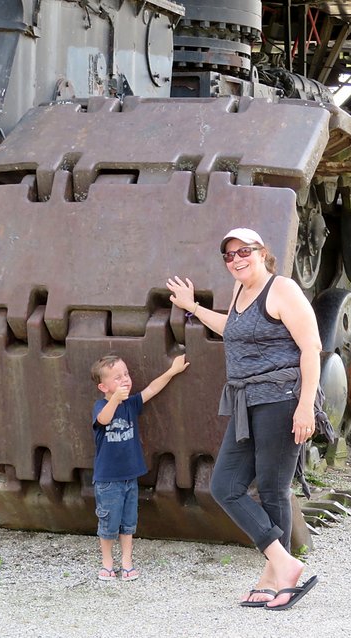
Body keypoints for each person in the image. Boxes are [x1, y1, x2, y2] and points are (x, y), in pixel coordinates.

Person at [166, 227, 325, 611]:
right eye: (229, 255)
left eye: (243, 252)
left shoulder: (282, 289)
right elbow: (231, 329)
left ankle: (276, 577)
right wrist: (192, 307)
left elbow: (311, 348)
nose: (236, 260)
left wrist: (305, 406)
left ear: (262, 252)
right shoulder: (240, 292)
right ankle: (283, 565)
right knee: (225, 485)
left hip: (281, 400)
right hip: (245, 401)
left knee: (272, 489)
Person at [90, 352, 189, 582]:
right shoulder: (100, 405)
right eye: (117, 377)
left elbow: (152, 389)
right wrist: (115, 399)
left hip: (130, 476)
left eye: (126, 374)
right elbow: (103, 420)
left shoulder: (131, 404)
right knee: (108, 524)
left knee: (128, 523)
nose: (125, 379)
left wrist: (172, 371)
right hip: (108, 479)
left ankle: (126, 562)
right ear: (103, 387)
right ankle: (107, 563)